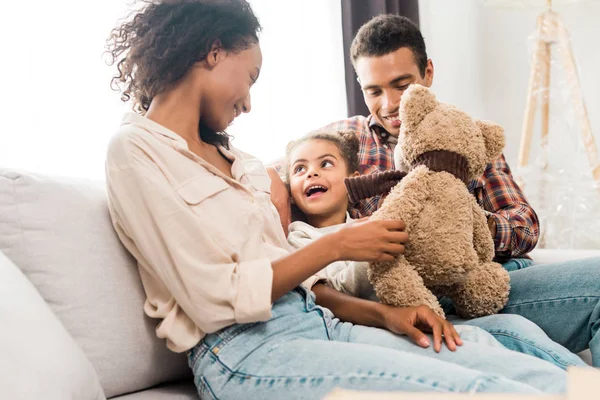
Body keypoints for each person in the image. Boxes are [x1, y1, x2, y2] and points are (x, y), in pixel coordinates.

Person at [105, 1, 572, 398]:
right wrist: (338, 243)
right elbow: (211, 299)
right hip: (243, 350)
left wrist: (387, 314)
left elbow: (304, 286)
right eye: (249, 76)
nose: (247, 102)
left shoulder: (239, 161)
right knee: (486, 391)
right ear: (213, 53)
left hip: (319, 323)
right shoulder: (136, 152)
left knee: (514, 368)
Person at [269, 13, 600, 368]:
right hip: (408, 296)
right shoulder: (342, 142)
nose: (389, 103)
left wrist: (462, 222)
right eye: (374, 91)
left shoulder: (463, 136)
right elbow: (284, 172)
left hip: (483, 282)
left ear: (428, 72)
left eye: (402, 84)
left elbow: (525, 225)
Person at [285, 130, 587, 370]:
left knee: (518, 326)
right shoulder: (300, 237)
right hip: (389, 323)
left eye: (325, 164)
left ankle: (586, 386)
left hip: (432, 305)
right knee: (506, 334)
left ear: (353, 179)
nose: (311, 174)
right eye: (300, 169)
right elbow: (321, 292)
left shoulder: (372, 221)